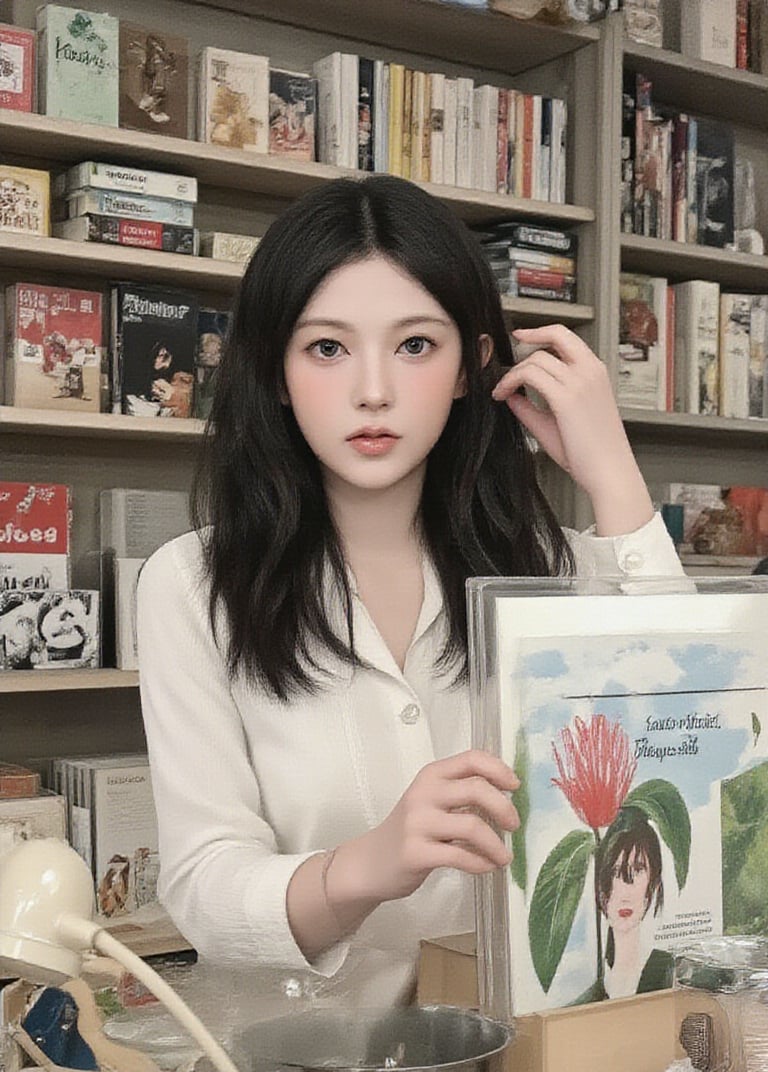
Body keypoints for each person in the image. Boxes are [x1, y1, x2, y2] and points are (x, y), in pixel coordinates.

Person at [136, 175, 686, 1012]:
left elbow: (691, 737)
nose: (373, 391)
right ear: (276, 373)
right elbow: (205, 889)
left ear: (471, 367)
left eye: (415, 345)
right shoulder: (191, 585)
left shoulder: (558, 569)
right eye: (327, 348)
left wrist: (614, 470)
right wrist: (367, 865)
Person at [572, 813, 674, 1004]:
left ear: (653, 882)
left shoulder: (668, 971)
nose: (624, 891)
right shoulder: (590, 997)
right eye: (615, 872)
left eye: (638, 869)